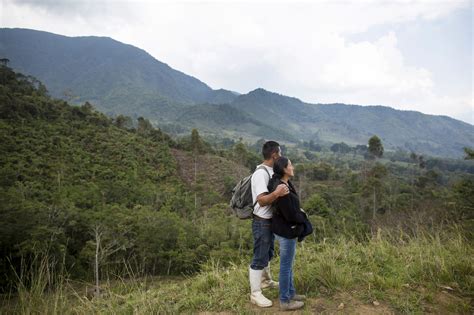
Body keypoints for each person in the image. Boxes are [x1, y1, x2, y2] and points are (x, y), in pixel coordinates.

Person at [249, 141, 289, 307]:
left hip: (269, 221)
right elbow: (262, 200)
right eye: (280, 153)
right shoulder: (261, 174)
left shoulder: (271, 171)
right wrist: (277, 193)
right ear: (274, 155)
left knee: (268, 253)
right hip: (261, 222)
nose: (281, 156)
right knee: (259, 257)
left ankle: (265, 281)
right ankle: (255, 293)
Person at [268, 156, 307, 311]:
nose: (293, 167)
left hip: (281, 229)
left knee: (288, 265)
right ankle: (285, 301)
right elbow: (290, 215)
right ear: (284, 169)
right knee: (285, 266)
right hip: (286, 231)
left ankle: (290, 293)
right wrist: (302, 216)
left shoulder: (283, 183)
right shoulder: (282, 189)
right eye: (290, 165)